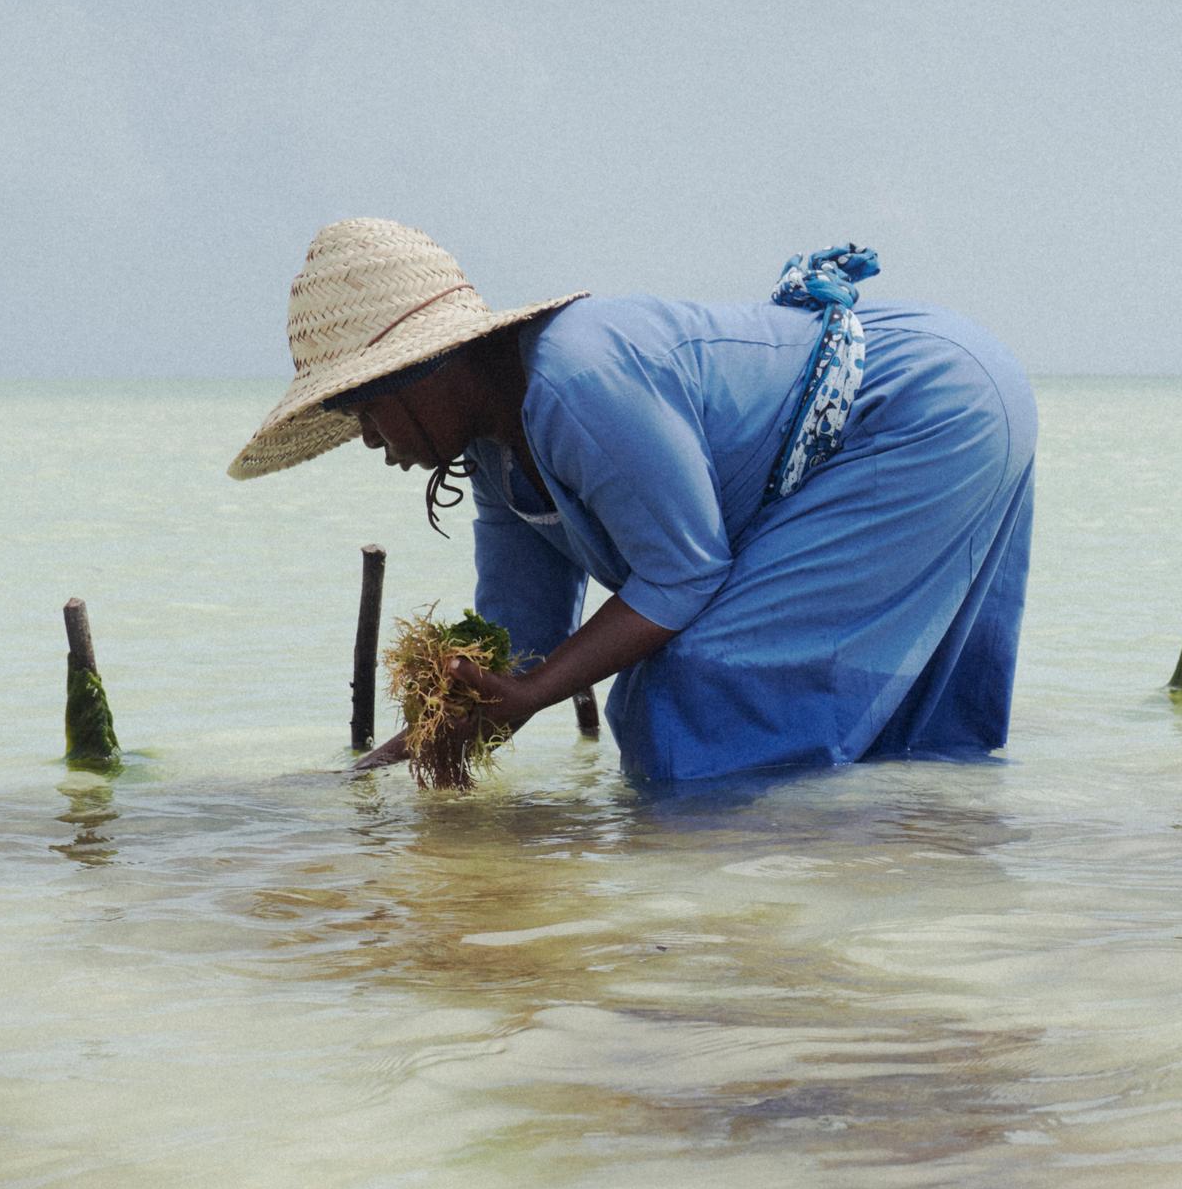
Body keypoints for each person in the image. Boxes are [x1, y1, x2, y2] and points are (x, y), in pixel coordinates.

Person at [231, 217, 1035, 789]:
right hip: (934, 401)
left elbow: (682, 579)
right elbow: (524, 638)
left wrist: (535, 697)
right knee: (895, 751)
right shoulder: (497, 453)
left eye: (362, 411)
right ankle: (900, 867)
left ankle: (749, 911)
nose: (371, 440)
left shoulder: (576, 381)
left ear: (427, 373)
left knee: (697, 688)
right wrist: (411, 742)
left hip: (924, 408)